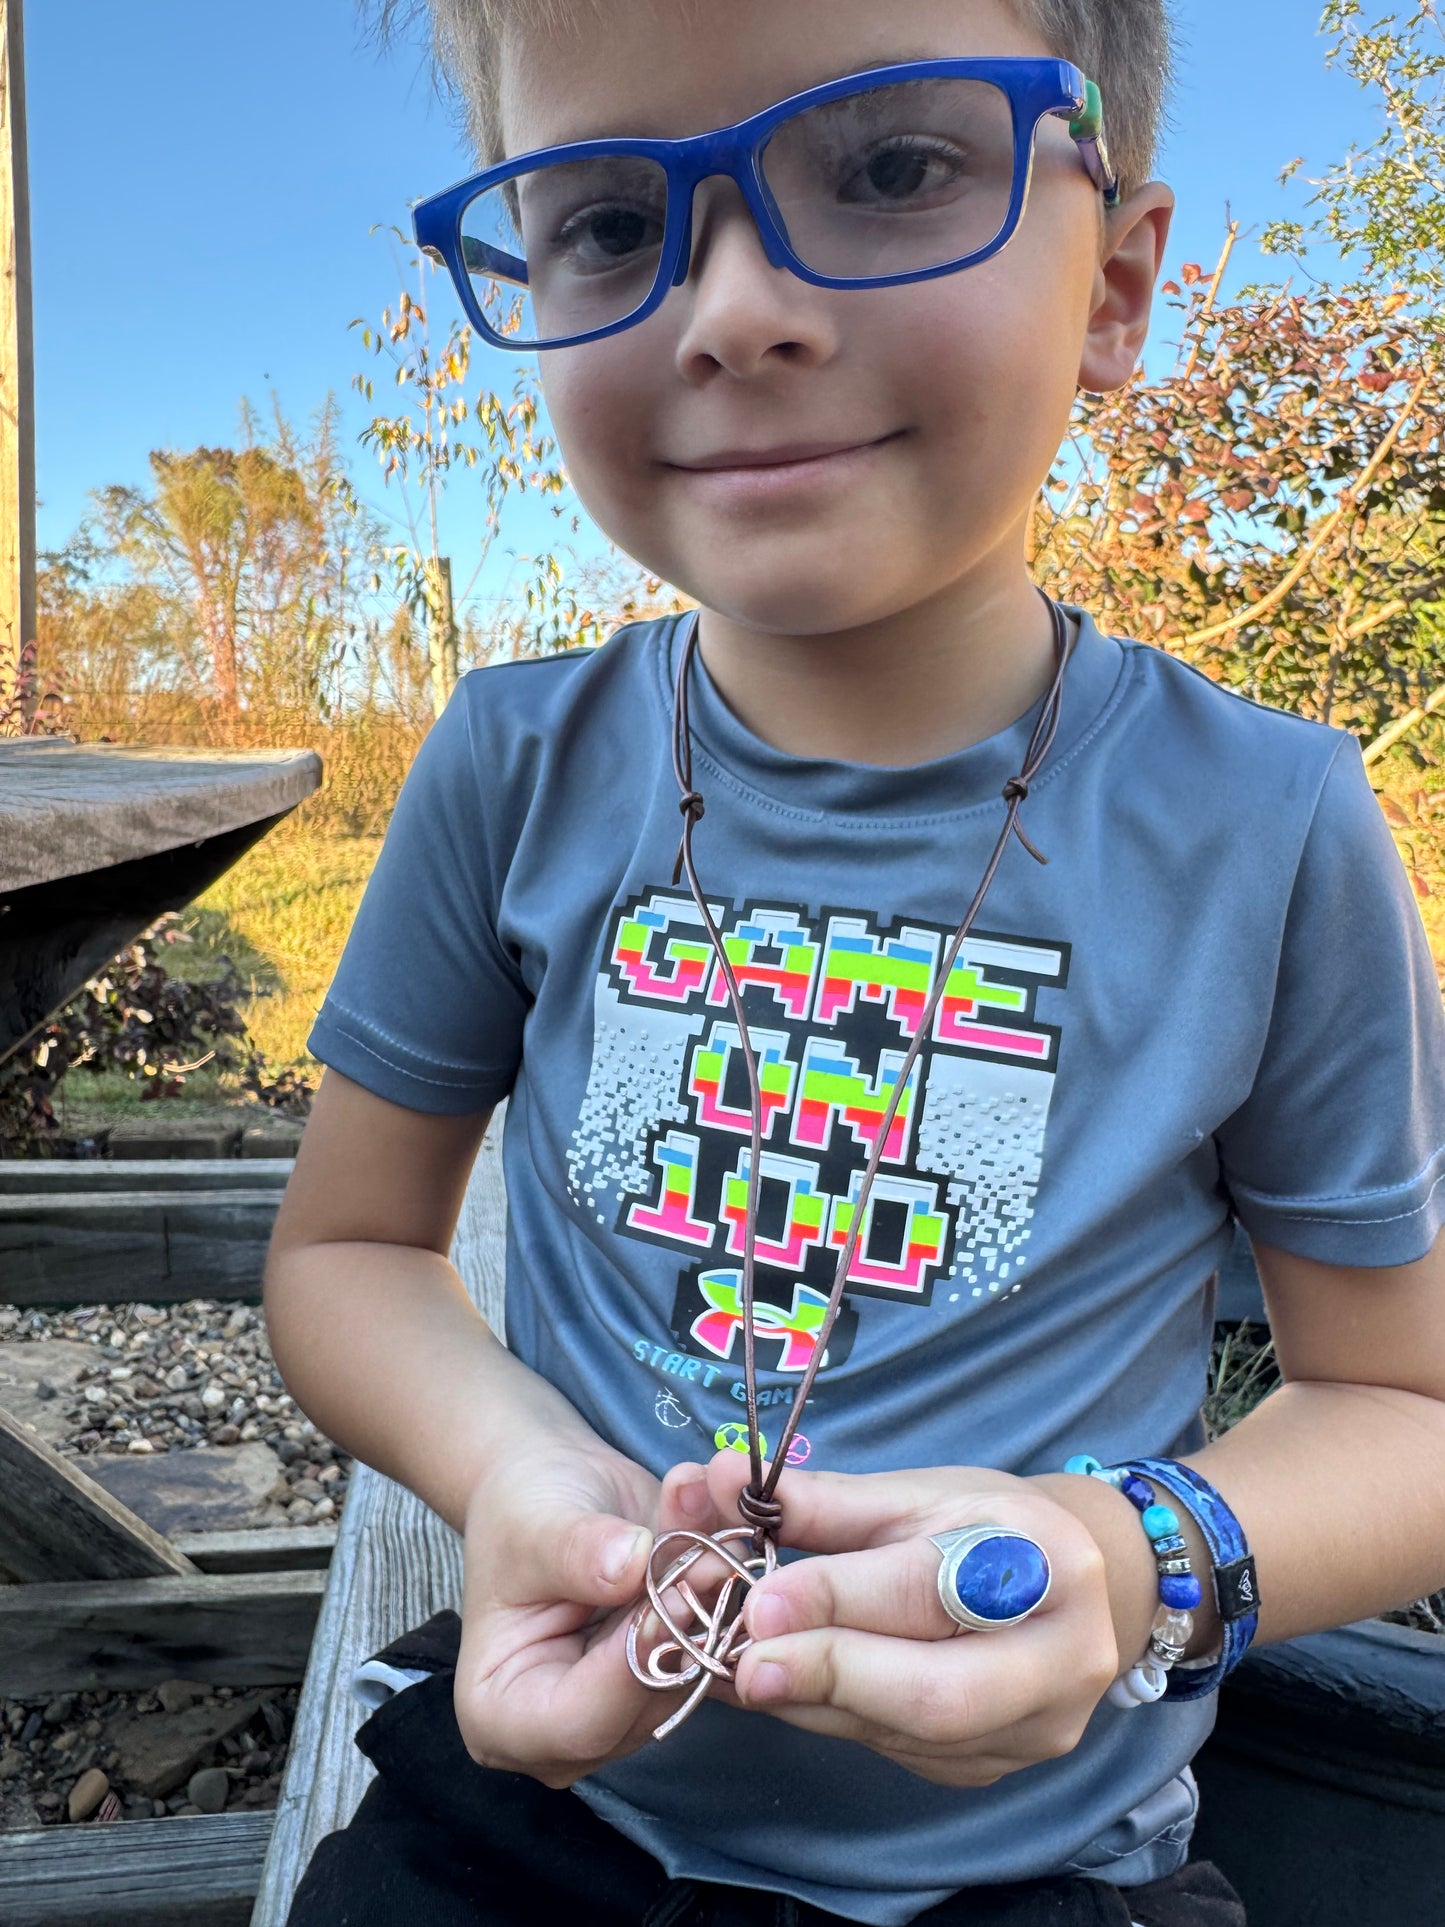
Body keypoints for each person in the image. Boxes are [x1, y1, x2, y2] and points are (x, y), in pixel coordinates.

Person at [268, 3, 1445, 1924]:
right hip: (541, 1819)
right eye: (608, 225)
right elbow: (349, 1255)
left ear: (1113, 285)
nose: (732, 310)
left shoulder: (1275, 828)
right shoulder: (506, 763)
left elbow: (1405, 1410)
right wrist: (511, 1472)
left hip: (1038, 1871)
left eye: (894, 170)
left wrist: (1124, 1557)